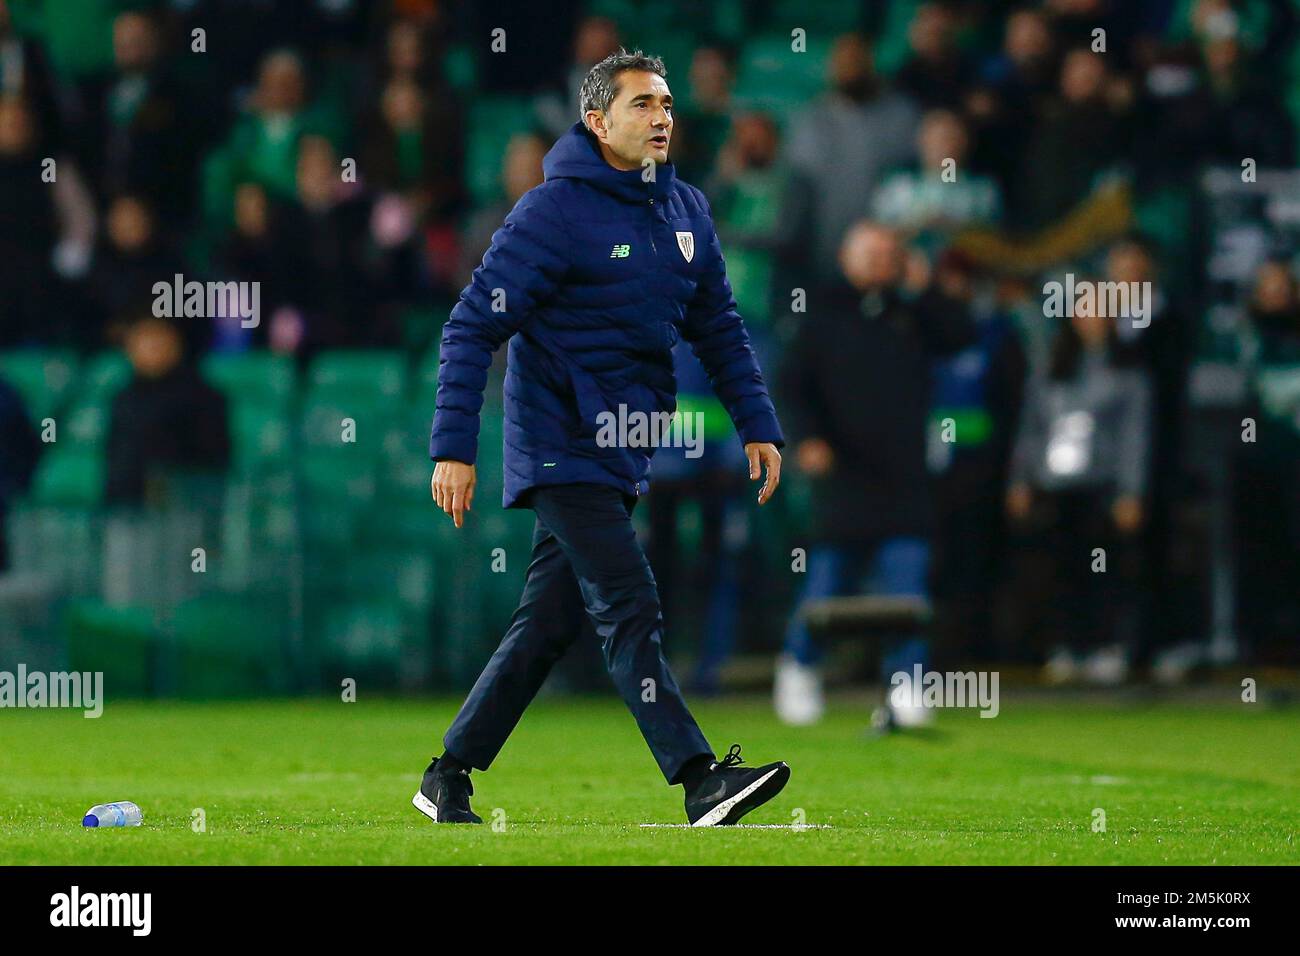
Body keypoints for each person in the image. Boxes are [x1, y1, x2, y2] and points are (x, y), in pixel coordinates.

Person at [418, 49, 790, 826]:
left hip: (623, 445)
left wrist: (758, 424)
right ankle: (698, 780)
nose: (662, 118)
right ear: (597, 121)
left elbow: (719, 328)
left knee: (548, 623)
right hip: (557, 442)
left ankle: (447, 774)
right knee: (629, 600)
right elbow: (469, 327)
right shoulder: (552, 212)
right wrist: (453, 448)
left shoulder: (685, 207)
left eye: (666, 104)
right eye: (643, 105)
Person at [774, 222, 975, 727]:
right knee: (826, 583)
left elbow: (961, 334)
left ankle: (908, 683)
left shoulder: (913, 313)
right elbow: (790, 386)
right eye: (870, 253)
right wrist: (807, 441)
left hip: (904, 477)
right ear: (846, 256)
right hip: (844, 474)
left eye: (889, 254)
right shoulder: (819, 314)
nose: (880, 262)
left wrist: (925, 286)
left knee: (907, 587)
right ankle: (799, 668)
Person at [1005, 290, 1151, 685]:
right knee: (1060, 571)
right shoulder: (1052, 367)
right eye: (1083, 309)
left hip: (1101, 487)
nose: (1091, 317)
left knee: (1103, 569)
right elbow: (1031, 428)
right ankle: (1066, 646)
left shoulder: (1126, 370)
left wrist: (1130, 491)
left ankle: (1107, 647)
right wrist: (1021, 479)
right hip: (1057, 487)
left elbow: (1134, 435)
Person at [105, 315, 231, 506]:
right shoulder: (122, 399)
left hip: (182, 512)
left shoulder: (204, 399)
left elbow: (211, 466)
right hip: (124, 511)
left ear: (176, 343)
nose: (150, 347)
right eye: (142, 339)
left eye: (157, 338)